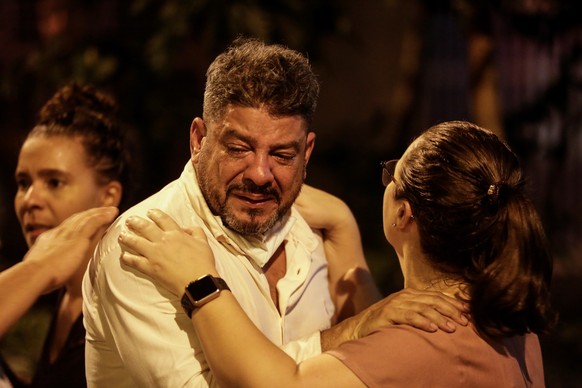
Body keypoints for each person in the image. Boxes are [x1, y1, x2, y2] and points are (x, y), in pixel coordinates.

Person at [82, 37, 467, 387]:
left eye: (282, 154)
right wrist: (355, 330)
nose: (260, 174)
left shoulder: (312, 232)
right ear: (199, 139)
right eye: (239, 149)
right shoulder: (141, 245)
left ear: (307, 153)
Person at [121, 120, 557, 387]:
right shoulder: (506, 321)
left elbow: (274, 384)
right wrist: (342, 226)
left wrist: (201, 281)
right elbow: (379, 335)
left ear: (403, 214)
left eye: (391, 173)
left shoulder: (430, 338)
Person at [1, 83, 131, 387]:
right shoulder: (66, 292)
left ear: (108, 196)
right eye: (23, 182)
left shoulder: (123, 293)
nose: (30, 199)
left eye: (55, 182)